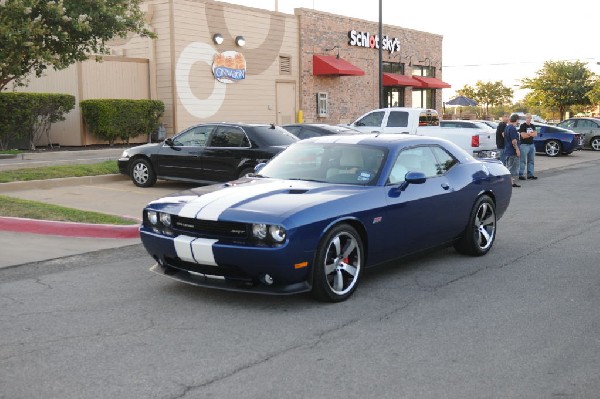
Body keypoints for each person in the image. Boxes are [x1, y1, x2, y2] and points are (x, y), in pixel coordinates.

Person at [518, 113, 538, 180]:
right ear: (525, 118)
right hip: (524, 145)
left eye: (530, 118)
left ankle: (530, 175)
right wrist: (531, 134)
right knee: (523, 160)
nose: (528, 119)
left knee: (531, 160)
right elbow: (523, 136)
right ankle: (521, 174)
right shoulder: (522, 126)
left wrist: (529, 134)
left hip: (531, 145)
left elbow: (535, 134)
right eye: (527, 118)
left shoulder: (532, 125)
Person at [504, 114, 521, 187]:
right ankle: (510, 182)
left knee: (509, 166)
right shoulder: (512, 128)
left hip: (507, 149)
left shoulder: (507, 127)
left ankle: (511, 182)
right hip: (512, 151)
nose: (518, 121)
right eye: (518, 120)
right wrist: (517, 149)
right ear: (516, 120)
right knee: (513, 166)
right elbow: (514, 141)